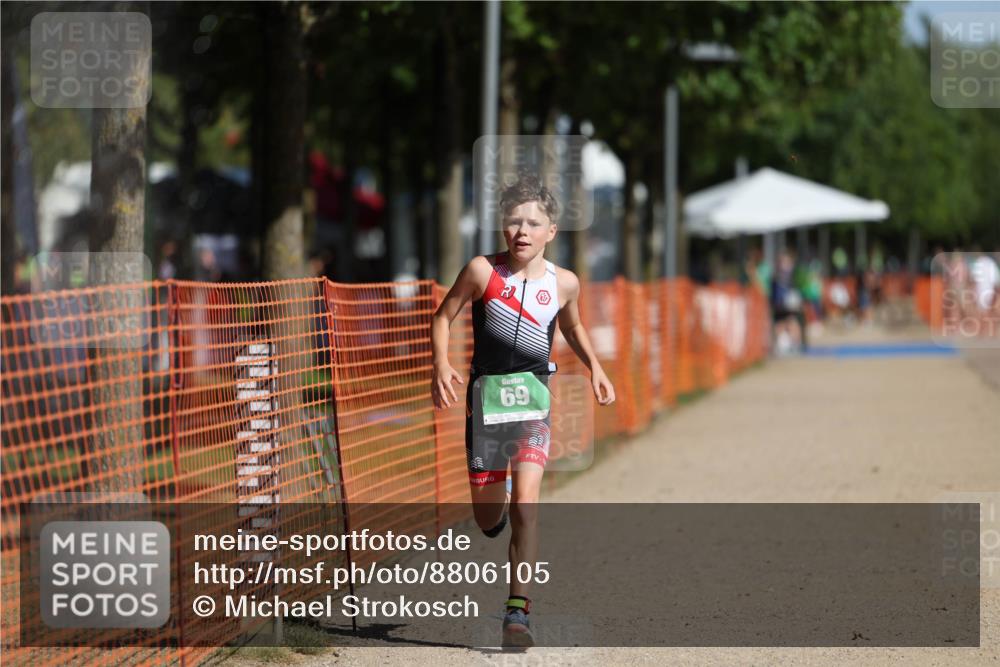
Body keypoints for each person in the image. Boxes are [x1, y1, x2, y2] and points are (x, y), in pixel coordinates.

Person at [430, 174, 615, 648]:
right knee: (489, 519)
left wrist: (596, 368)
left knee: (527, 507)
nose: (522, 231)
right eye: (514, 221)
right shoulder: (481, 272)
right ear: (502, 226)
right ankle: (498, 512)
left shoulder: (565, 283)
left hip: (534, 404)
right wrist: (441, 364)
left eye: (533, 222)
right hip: (486, 405)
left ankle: (518, 613)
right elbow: (443, 316)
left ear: (552, 230)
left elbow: (572, 328)